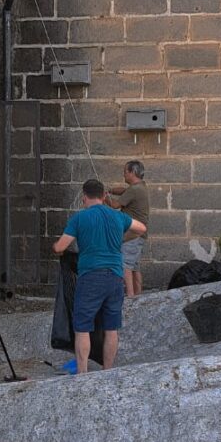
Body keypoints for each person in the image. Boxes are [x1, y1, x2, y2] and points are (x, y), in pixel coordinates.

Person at [53, 179, 146, 374]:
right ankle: (108, 370)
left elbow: (60, 247)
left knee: (82, 327)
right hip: (115, 277)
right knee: (111, 328)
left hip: (91, 277)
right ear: (104, 196)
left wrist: (56, 248)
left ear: (84, 197)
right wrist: (121, 237)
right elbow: (141, 228)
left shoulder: (80, 218)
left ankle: (83, 373)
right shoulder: (117, 217)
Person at [106, 160, 150, 297]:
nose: (123, 174)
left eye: (125, 171)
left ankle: (130, 297)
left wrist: (104, 197)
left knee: (125, 265)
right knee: (135, 267)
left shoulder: (134, 190)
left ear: (132, 172)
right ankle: (137, 295)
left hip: (132, 235)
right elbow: (123, 191)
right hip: (139, 235)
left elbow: (115, 205)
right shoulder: (139, 187)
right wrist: (110, 190)